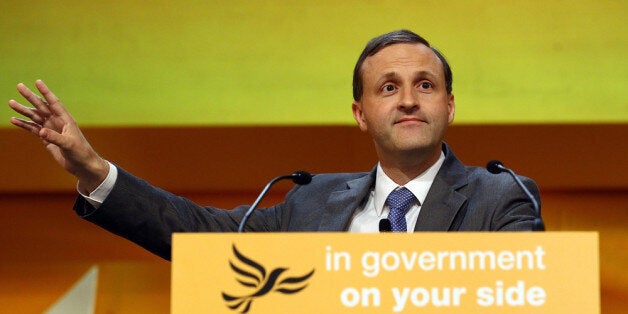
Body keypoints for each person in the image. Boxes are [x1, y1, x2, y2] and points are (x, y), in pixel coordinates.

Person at [8, 30, 542, 260]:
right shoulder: (308, 203)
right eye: (387, 87)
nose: (407, 100)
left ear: (449, 105)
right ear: (360, 114)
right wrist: (96, 170)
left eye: (425, 85)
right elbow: (202, 236)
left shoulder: (501, 198)